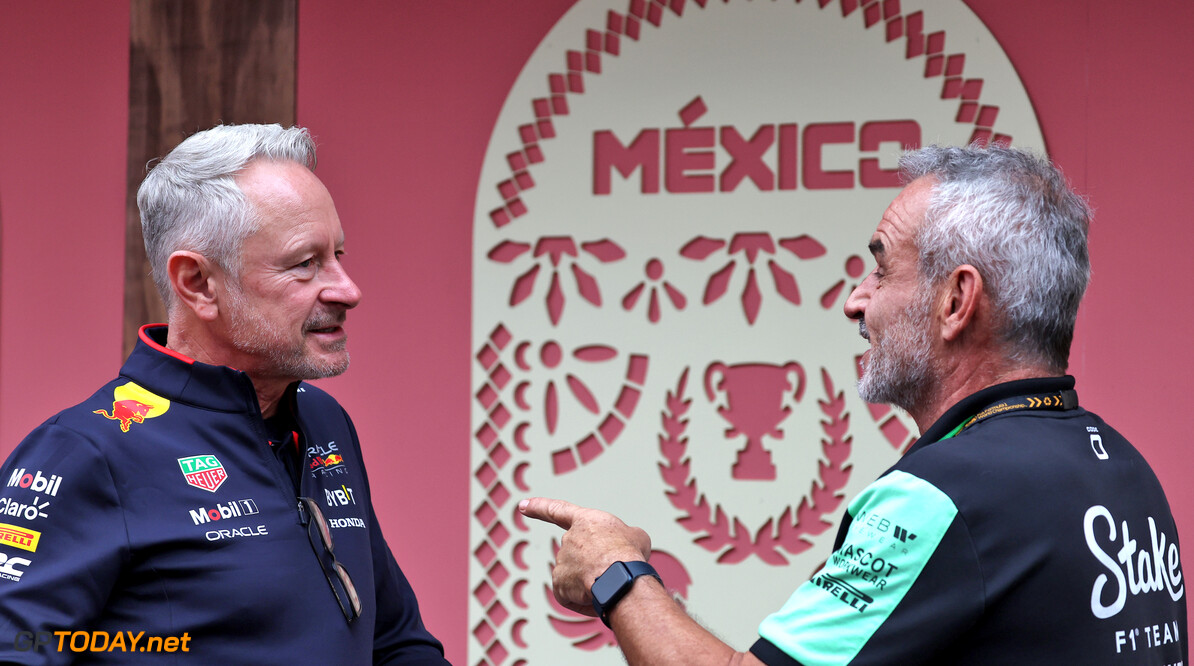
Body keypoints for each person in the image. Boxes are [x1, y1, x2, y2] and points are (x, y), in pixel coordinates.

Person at [520, 145, 1188, 665]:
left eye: (881, 269)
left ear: (956, 301)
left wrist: (617, 575)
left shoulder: (944, 498)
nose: (854, 301)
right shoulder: (1128, 472)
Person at [0, 124, 449, 664]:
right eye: (305, 263)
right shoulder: (84, 453)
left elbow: (395, 643)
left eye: (338, 254)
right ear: (197, 283)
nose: (348, 289)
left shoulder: (323, 420)